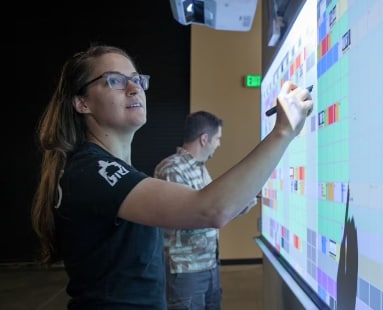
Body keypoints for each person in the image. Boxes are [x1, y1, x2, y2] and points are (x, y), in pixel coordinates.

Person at [30, 44, 313, 309]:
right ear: (82, 103)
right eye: (115, 80)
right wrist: (282, 131)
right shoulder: (94, 170)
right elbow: (210, 210)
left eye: (137, 79)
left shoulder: (107, 169)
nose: (133, 88)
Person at [154, 111, 257, 310]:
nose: (219, 144)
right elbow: (199, 215)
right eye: (218, 139)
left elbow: (215, 209)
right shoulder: (172, 168)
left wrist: (248, 197)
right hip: (186, 270)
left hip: (209, 265)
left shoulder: (200, 168)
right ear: (204, 139)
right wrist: (238, 202)